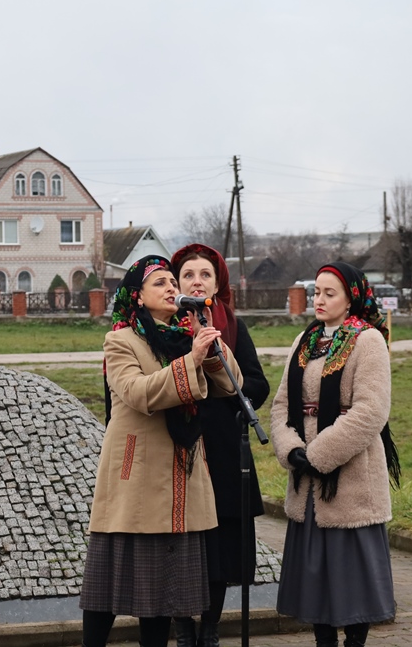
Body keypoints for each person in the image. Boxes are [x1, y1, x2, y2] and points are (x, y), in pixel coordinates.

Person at [80, 255, 244, 647]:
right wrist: (192, 360)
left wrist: (207, 343)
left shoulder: (189, 335)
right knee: (108, 588)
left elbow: (232, 386)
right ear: (137, 296)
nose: (173, 288)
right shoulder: (121, 340)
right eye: (161, 283)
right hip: (134, 480)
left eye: (175, 281)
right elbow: (139, 393)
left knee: (162, 596)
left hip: (181, 479)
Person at [270, 262, 401, 647]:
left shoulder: (368, 340)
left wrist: (320, 454)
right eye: (317, 292)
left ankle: (354, 641)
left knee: (349, 572)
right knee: (315, 573)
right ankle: (322, 640)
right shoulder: (305, 340)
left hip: (351, 473)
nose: (320, 300)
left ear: (351, 299)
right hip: (306, 479)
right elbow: (281, 405)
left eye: (330, 293)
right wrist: (291, 449)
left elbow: (371, 410)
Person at [170, 244, 270, 647]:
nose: (197, 280)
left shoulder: (232, 325)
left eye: (205, 274)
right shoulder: (163, 325)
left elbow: (257, 384)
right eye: (189, 274)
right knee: (180, 546)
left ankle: (210, 627)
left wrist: (230, 404)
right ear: (177, 283)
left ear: (217, 282)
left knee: (222, 545)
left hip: (225, 451)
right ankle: (181, 628)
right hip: (179, 445)